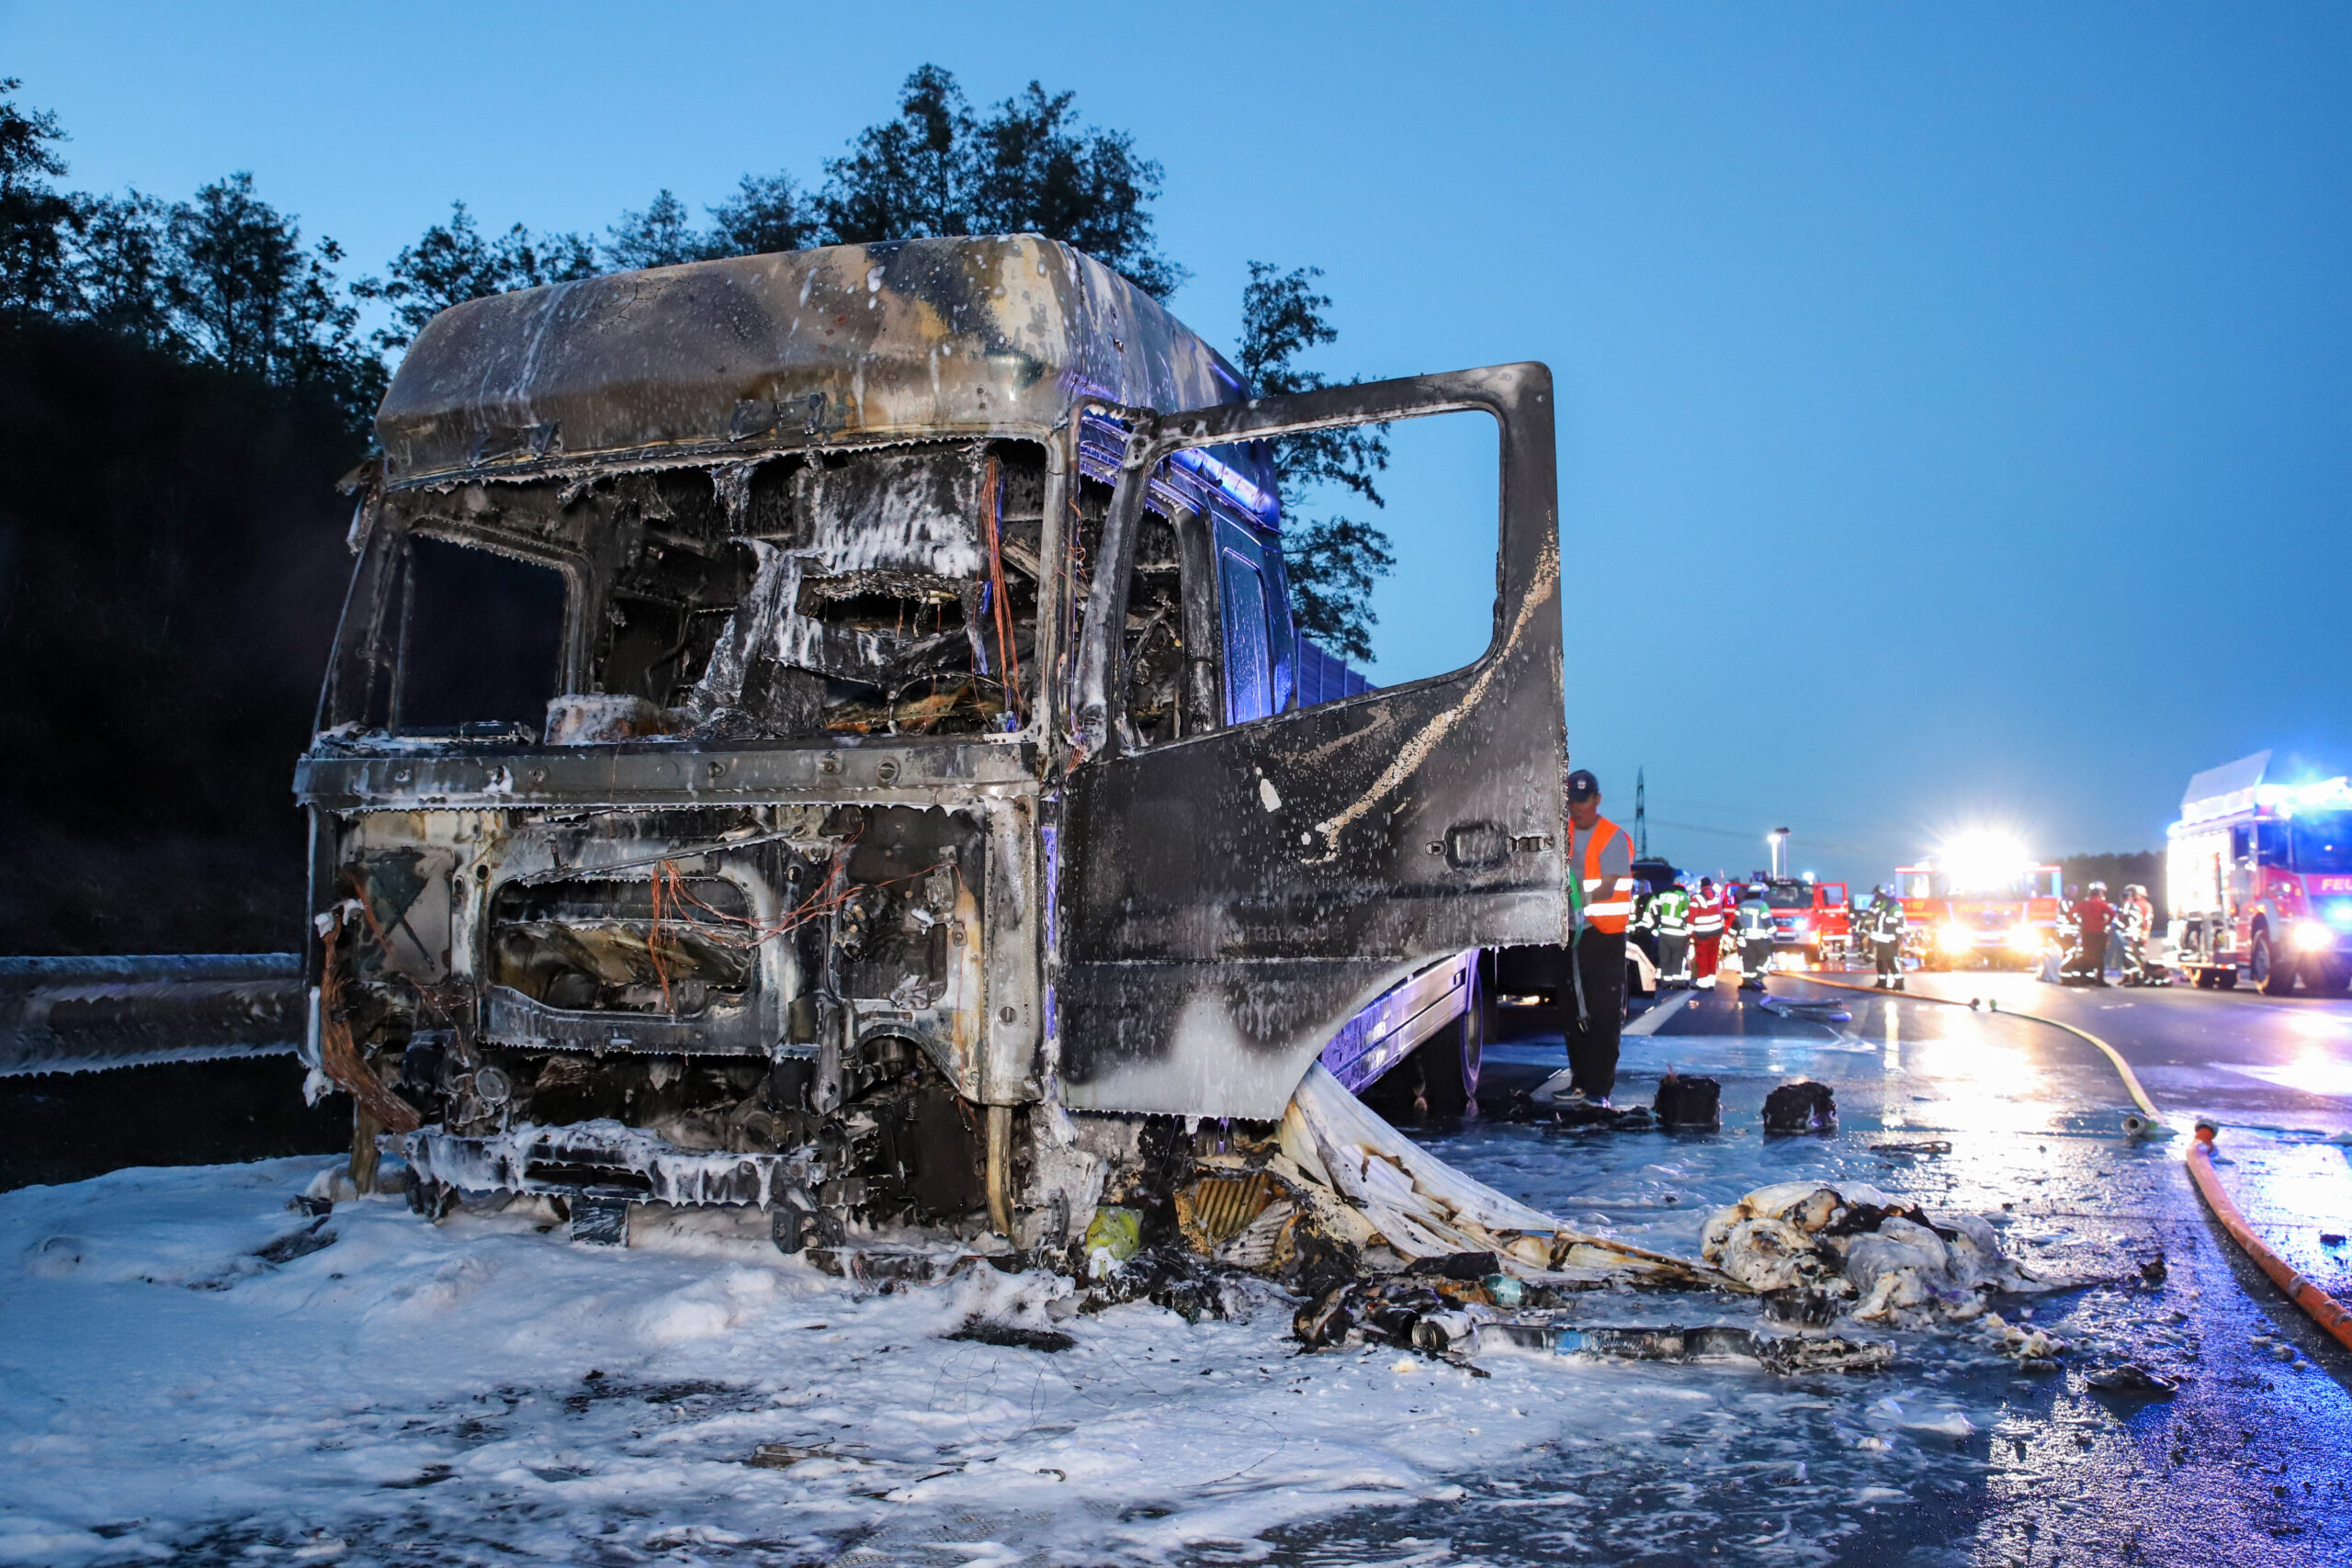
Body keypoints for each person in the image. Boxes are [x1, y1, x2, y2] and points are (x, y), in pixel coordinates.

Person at [1562, 768, 1636, 1104]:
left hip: (1604, 937)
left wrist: (1578, 898)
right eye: (1571, 802)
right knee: (1574, 1012)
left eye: (1582, 801)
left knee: (1604, 1015)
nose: (1576, 808)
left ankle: (1599, 1089)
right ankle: (1579, 1081)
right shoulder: (1563, 835)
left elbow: (1608, 884)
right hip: (1571, 936)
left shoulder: (1612, 837)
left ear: (1596, 800)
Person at [2074, 882, 2116, 987]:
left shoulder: (2084, 903)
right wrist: (2107, 923)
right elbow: (2112, 913)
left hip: (2087, 933)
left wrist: (2078, 922)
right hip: (2099, 933)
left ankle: (2083, 978)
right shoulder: (2101, 903)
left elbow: (2071, 912)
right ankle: (2100, 980)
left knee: (2086, 955)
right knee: (2100, 956)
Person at [1688, 876, 1726, 989]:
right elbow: (1720, 912)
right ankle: (1710, 982)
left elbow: (1692, 917)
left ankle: (1702, 983)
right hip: (1717, 932)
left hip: (1702, 934)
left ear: (1701, 886)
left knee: (1702, 957)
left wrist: (1689, 933)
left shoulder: (1696, 898)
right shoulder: (1717, 896)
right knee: (1713, 956)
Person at [1735, 883, 1774, 990]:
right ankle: (1758, 978)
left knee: (1747, 959)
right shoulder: (1762, 905)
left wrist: (1732, 934)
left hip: (1745, 938)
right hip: (1760, 938)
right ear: (1760, 894)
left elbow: (1736, 922)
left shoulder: (1742, 905)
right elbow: (1767, 921)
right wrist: (1774, 933)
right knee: (1766, 958)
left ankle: (1747, 982)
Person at [1867, 886, 1906, 990]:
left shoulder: (1895, 906)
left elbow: (1900, 924)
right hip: (1881, 939)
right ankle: (1882, 982)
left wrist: (1897, 938)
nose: (1877, 896)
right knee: (1880, 961)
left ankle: (1899, 983)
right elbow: (1870, 912)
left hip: (1891, 940)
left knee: (1892, 961)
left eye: (1878, 894)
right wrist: (1874, 901)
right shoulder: (1882, 904)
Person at [1655, 881, 1692, 986]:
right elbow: (1688, 914)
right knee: (1677, 957)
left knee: (1664, 957)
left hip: (1664, 931)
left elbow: (1656, 911)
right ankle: (1677, 982)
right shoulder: (1684, 897)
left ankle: (1665, 982)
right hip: (1678, 932)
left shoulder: (1663, 896)